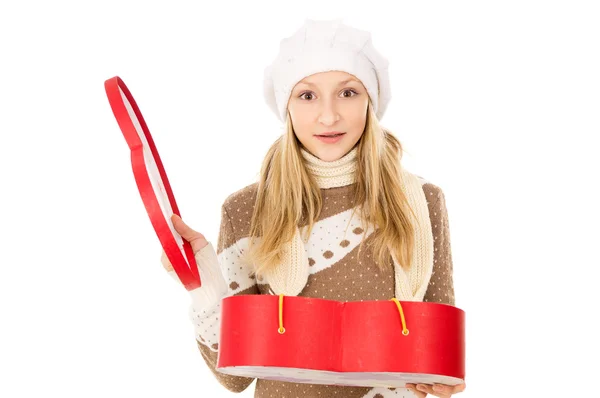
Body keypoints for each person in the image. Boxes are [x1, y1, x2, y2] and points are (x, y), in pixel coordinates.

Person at [161, 18, 466, 398]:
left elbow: (437, 358)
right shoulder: (246, 209)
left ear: (371, 101)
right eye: (307, 96)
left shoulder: (422, 202)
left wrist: (440, 378)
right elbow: (235, 377)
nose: (328, 116)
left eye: (348, 93)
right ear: (285, 105)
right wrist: (203, 283)